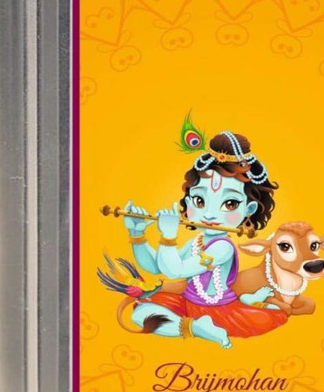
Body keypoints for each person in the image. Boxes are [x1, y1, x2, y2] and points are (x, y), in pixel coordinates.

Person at [123, 131, 288, 348]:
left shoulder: (223, 248)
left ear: (248, 209)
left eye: (229, 204)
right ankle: (197, 328)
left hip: (219, 310)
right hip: (187, 304)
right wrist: (137, 235)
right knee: (141, 314)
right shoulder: (196, 242)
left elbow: (175, 271)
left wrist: (168, 236)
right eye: (200, 200)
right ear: (188, 200)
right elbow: (156, 267)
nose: (209, 214)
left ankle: (205, 326)